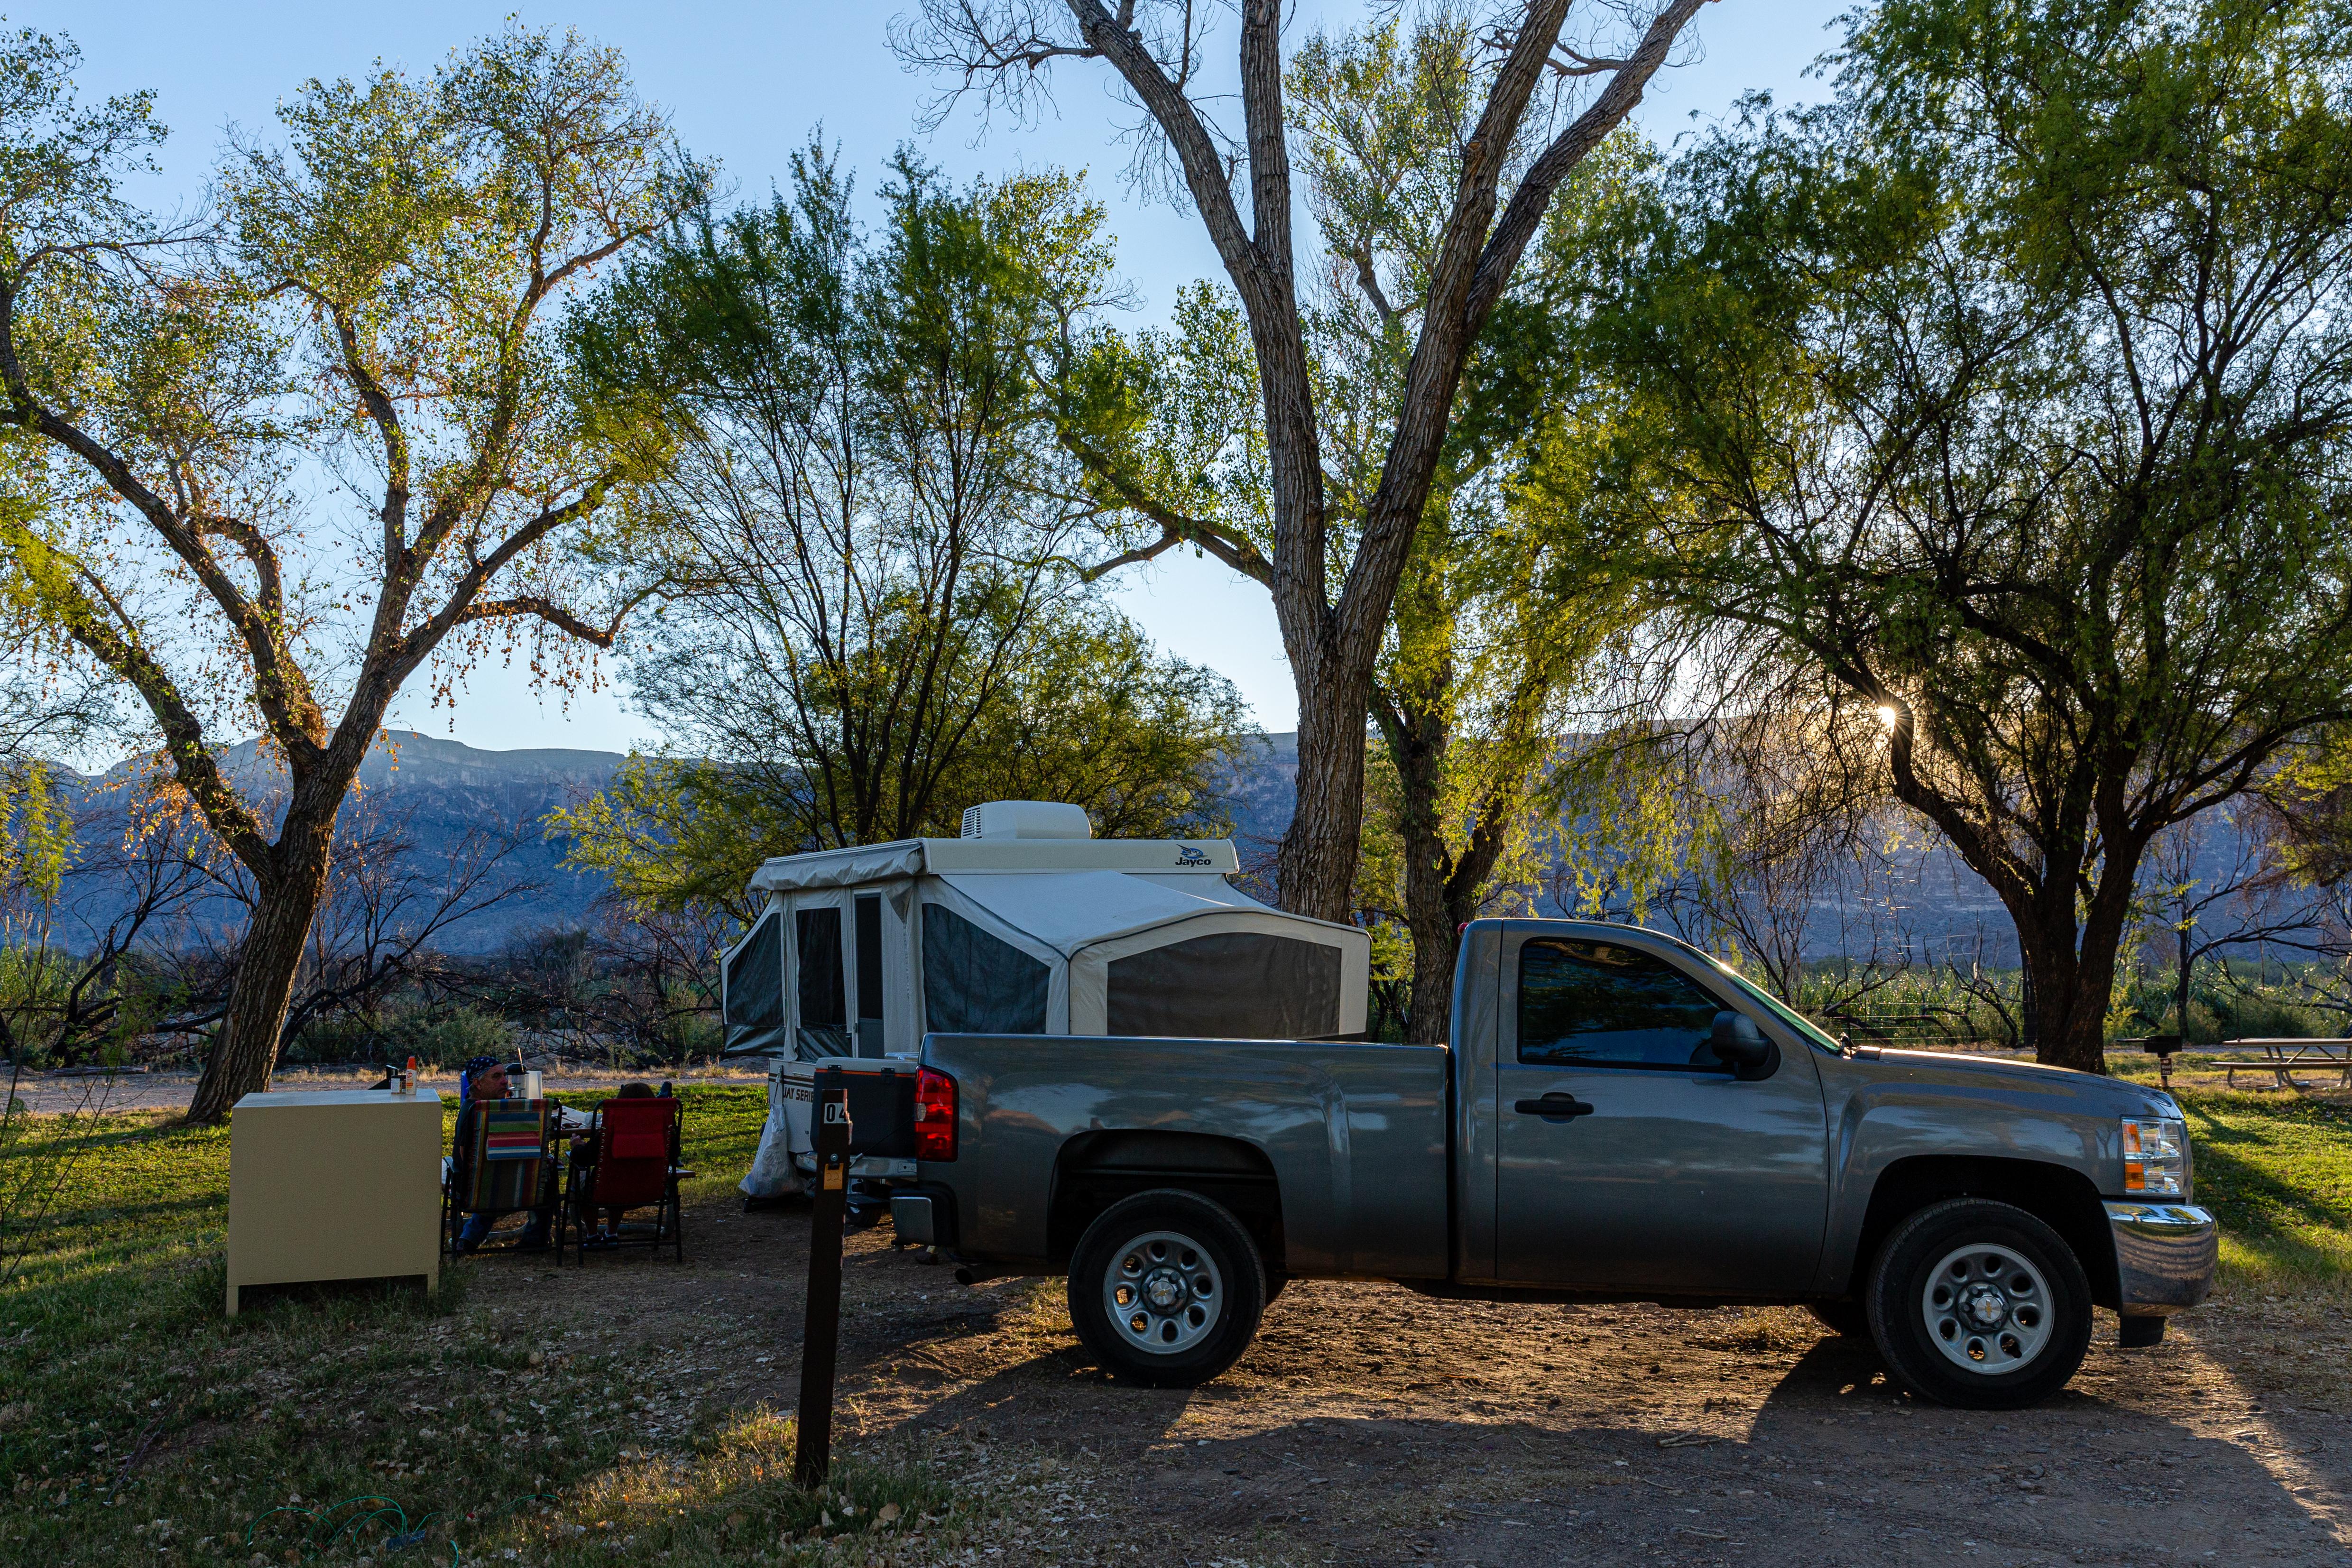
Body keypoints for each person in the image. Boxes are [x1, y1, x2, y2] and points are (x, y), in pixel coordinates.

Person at [453, 1059, 550, 1254]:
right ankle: (535, 1240)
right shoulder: (479, 1112)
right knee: (547, 1180)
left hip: (478, 1192)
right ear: (477, 1084)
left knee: (493, 1176)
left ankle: (469, 1239)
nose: (505, 1081)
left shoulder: (476, 1109)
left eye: (504, 1075)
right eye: (496, 1076)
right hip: (520, 1192)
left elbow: (465, 1159)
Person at [570, 1082, 658, 1248]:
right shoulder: (662, 1128)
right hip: (651, 1188)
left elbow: (584, 1159)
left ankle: (592, 1235)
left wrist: (577, 1147)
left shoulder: (612, 1129)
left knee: (591, 1176)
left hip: (609, 1189)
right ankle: (611, 1233)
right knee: (623, 1174)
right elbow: (674, 1153)